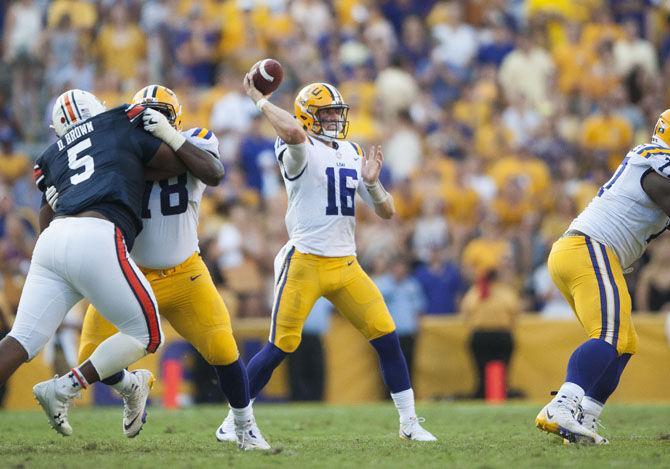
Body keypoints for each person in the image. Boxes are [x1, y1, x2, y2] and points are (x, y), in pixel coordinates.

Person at [216, 71, 436, 442]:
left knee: (386, 336)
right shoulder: (296, 146)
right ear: (306, 116)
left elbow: (388, 212)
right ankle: (233, 421)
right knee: (280, 346)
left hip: (346, 263)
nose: (335, 120)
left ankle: (409, 424)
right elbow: (293, 133)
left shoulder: (350, 151)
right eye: (327, 114)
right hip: (305, 260)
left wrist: (371, 184)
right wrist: (260, 100)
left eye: (337, 113)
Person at [74, 85, 269, 450]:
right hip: (128, 273)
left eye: (161, 113)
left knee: (223, 349)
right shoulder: (125, 152)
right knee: (89, 355)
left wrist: (168, 137)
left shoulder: (196, 140)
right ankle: (134, 386)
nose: (153, 120)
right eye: (147, 113)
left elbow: (213, 172)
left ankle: (244, 426)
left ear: (174, 117)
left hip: (184, 273)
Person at [0, 88, 203, 436]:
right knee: (149, 334)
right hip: (97, 234)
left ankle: (125, 386)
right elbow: (175, 163)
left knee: (21, 339)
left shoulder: (53, 155)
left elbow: (46, 219)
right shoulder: (118, 122)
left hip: (51, 242)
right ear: (98, 109)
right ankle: (64, 387)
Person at [535, 110, 670, 444]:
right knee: (608, 335)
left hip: (585, 253)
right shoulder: (655, 161)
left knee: (625, 343)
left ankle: (585, 418)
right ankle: (561, 407)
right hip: (590, 248)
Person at [461, 267, 519, 399]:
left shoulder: (476, 291)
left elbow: (466, 310)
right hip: (502, 335)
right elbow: (514, 311)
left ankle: (482, 392)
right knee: (503, 368)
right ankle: (500, 392)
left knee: (481, 369)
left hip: (480, 335)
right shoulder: (506, 292)